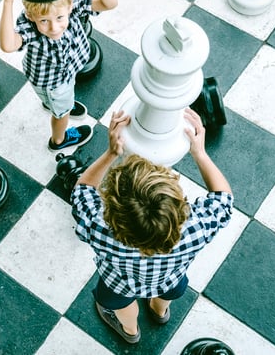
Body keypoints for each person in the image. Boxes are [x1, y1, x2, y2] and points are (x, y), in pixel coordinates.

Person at [71, 108, 233, 344]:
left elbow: (81, 192)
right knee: (166, 295)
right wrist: (200, 153)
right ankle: (159, 313)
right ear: (179, 207)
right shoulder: (194, 230)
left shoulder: (99, 228)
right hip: (170, 279)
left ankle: (130, 331)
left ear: (112, 210)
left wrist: (111, 153)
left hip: (119, 283)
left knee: (122, 306)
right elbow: (224, 200)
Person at [0, 0, 118, 151]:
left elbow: (110, 2)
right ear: (30, 15)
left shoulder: (71, 6)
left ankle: (54, 104)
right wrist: (8, 1)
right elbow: (8, 45)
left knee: (61, 101)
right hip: (53, 84)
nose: (54, 28)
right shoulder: (31, 28)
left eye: (60, 18)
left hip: (64, 74)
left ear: (70, 6)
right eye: (44, 21)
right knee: (61, 114)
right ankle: (59, 140)